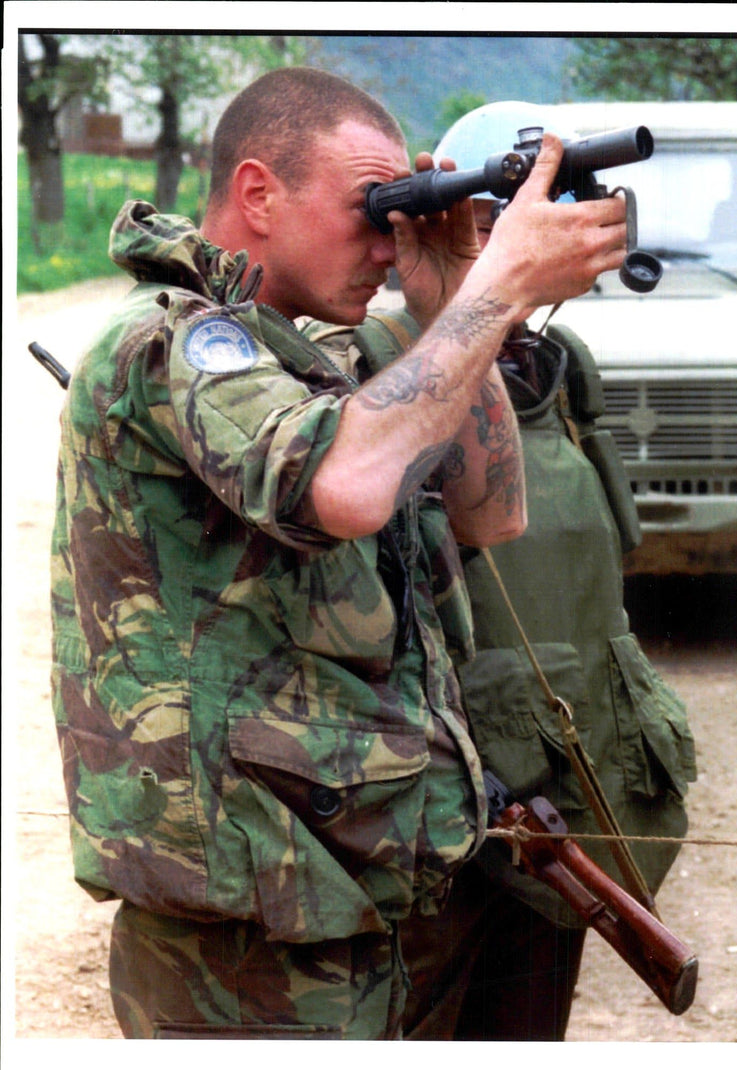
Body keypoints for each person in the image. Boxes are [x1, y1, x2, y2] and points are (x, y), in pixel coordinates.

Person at [50, 72, 631, 1040]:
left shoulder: (313, 354)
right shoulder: (172, 343)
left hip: (353, 883)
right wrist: (496, 292)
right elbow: (344, 486)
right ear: (258, 194)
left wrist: (451, 299)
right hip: (247, 929)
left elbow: (491, 513)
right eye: (369, 208)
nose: (382, 241)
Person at [305, 100, 697, 1041]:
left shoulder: (562, 368)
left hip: (563, 782)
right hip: (440, 805)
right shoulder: (375, 371)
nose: (542, 242)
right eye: (509, 222)